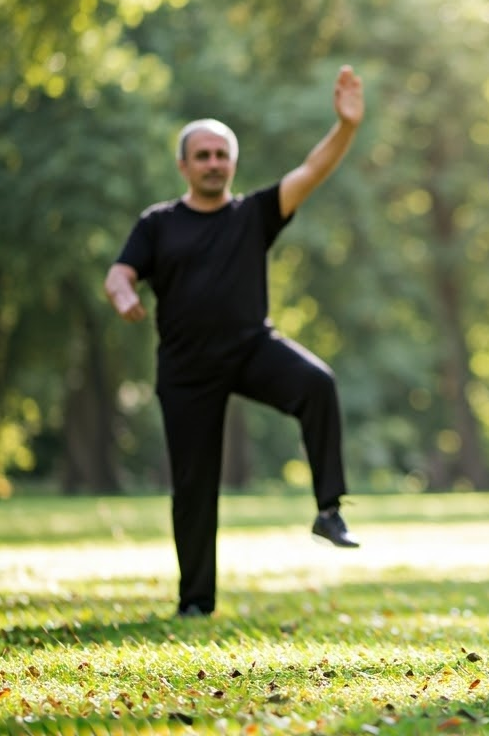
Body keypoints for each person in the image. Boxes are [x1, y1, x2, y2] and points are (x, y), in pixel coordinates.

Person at [105, 66, 365, 618]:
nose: (213, 163)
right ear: (183, 165)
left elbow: (313, 169)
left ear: (233, 163)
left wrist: (345, 126)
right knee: (194, 489)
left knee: (316, 383)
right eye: (202, 155)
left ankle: (328, 509)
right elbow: (119, 271)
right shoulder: (158, 224)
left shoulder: (253, 214)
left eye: (221, 154)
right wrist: (123, 293)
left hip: (251, 350)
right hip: (186, 369)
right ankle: (195, 601)